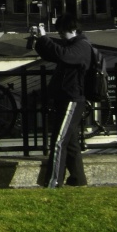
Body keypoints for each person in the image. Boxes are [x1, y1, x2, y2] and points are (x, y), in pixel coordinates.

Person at [34, 14, 93, 188]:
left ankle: (54, 181)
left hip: (72, 99)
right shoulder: (74, 45)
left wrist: (45, 37)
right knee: (71, 141)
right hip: (66, 98)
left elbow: (62, 54)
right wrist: (39, 40)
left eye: (62, 31)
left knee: (59, 140)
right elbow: (52, 54)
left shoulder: (81, 46)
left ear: (73, 30)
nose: (60, 34)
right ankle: (78, 179)